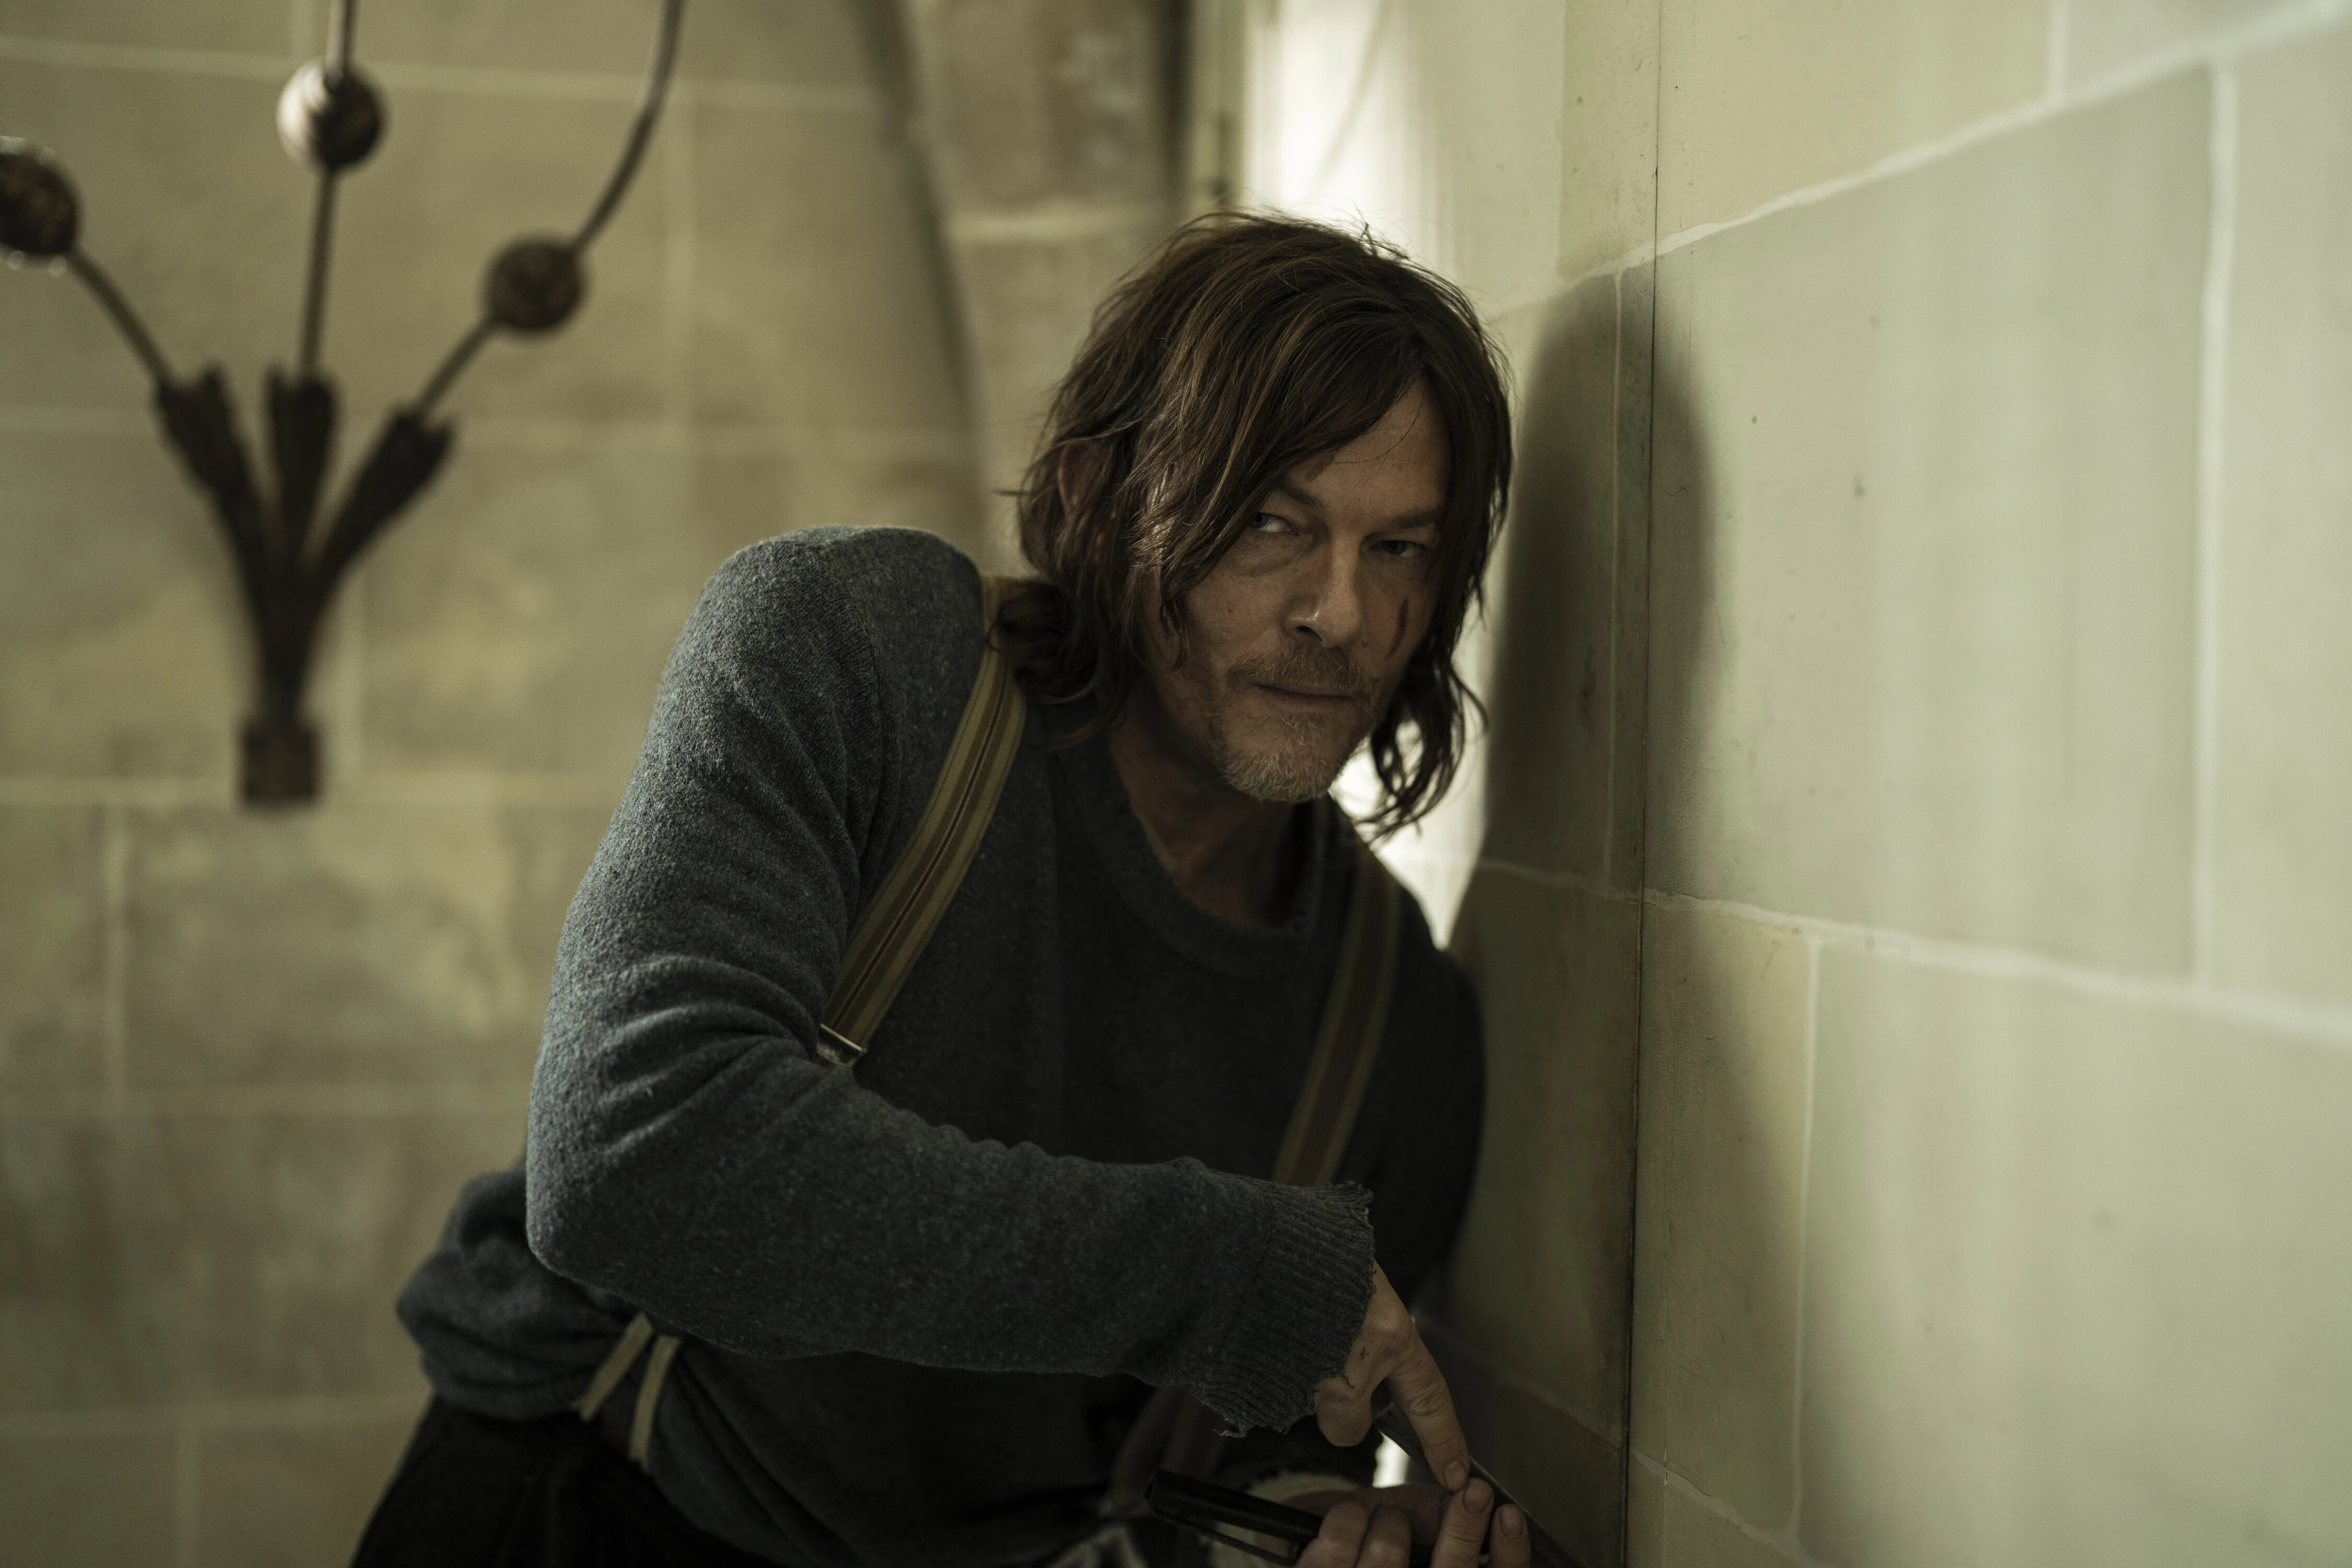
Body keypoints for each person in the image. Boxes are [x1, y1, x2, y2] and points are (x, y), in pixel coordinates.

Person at [359, 214, 1525, 1568]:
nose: (1340, 614)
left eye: (1399, 549)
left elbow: (1230, 1465)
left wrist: (1312, 1527)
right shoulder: (860, 652)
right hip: (579, 1506)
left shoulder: (1396, 1023)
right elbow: (634, 1159)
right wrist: (1227, 1273)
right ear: (1096, 498)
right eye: (1270, 523)